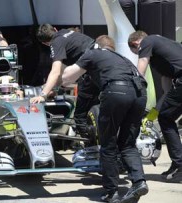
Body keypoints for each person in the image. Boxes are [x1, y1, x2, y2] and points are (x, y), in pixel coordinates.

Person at [62, 35, 148, 203]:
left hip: (116, 91)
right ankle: (139, 181)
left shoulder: (93, 53)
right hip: (140, 93)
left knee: (108, 143)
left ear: (96, 45)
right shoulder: (122, 58)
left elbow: (67, 78)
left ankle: (111, 192)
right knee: (128, 143)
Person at [29, 23, 98, 142]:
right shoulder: (66, 33)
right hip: (103, 66)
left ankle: (90, 147)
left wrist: (43, 95)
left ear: (45, 43)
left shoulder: (56, 42)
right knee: (97, 108)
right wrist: (54, 89)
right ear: (55, 29)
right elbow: (61, 72)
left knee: (80, 115)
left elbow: (55, 72)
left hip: (92, 70)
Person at [128, 31, 182, 181]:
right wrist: (152, 115)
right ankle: (177, 164)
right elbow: (167, 93)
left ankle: (180, 164)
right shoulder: (168, 53)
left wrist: (133, 93)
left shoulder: (146, 41)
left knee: (166, 118)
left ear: (135, 44)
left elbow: (141, 69)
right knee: (166, 116)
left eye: (136, 51)